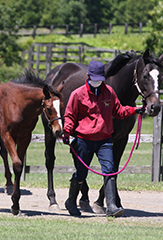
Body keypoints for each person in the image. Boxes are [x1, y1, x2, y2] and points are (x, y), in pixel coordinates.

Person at [62, 60, 144, 217]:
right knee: (80, 174)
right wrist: (67, 132)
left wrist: (135, 110)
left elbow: (119, 111)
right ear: (88, 76)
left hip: (104, 140)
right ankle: (71, 201)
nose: (97, 81)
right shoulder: (77, 94)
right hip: (84, 139)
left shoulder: (109, 92)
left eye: (100, 78)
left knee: (110, 171)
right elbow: (70, 115)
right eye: (95, 78)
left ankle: (111, 206)